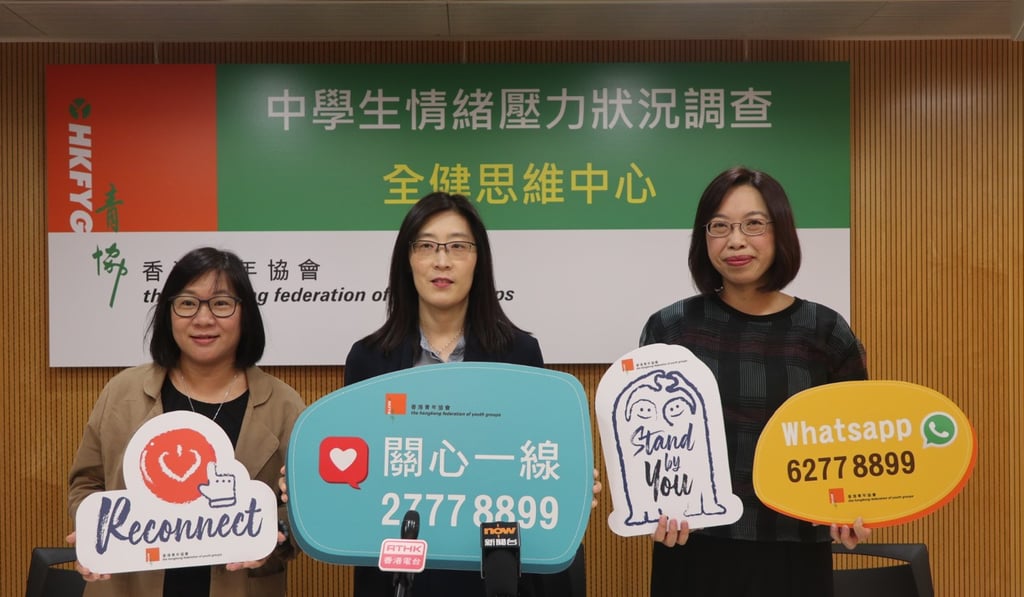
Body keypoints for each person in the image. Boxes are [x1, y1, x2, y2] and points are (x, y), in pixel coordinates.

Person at [344, 191, 592, 597]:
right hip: (400, 575)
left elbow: (536, 457)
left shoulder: (520, 354)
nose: (442, 261)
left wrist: (571, 481)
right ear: (407, 259)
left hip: (493, 572)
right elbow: (358, 472)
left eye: (458, 246)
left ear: (479, 260)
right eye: (427, 246)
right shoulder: (369, 360)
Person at [639, 167, 870, 597]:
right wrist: (651, 505)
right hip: (692, 547)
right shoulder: (670, 328)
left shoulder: (825, 330)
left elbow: (855, 439)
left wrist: (853, 506)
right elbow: (648, 443)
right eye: (720, 226)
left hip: (795, 550)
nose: (736, 240)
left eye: (753, 224)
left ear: (781, 232)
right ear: (703, 237)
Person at [67, 247, 305, 597]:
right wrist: (93, 532)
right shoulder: (123, 393)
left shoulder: (284, 406)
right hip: (128, 586)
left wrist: (275, 539)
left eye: (221, 304)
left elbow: (299, 510)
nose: (203, 319)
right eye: (187, 303)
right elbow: (86, 483)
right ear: (168, 312)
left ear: (246, 315)